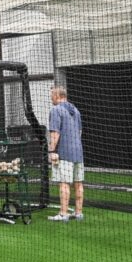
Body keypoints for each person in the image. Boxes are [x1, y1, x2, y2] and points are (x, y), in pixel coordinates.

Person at [47, 86, 85, 222]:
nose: (51, 98)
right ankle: (78, 213)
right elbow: (79, 132)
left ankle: (63, 214)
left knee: (64, 183)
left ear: (57, 96)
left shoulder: (56, 110)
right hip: (78, 152)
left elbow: (55, 133)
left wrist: (52, 151)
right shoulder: (76, 110)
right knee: (78, 183)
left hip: (64, 153)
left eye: (52, 95)